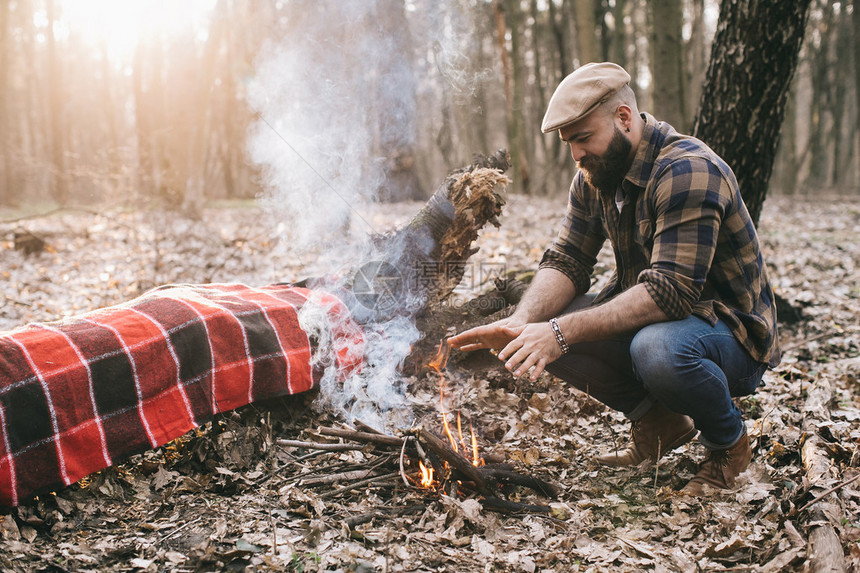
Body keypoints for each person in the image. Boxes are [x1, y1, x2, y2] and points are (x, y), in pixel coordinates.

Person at [448, 62, 780, 495]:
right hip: (666, 321)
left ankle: (728, 446)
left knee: (655, 348)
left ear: (624, 118)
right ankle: (658, 422)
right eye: (570, 143)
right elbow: (567, 259)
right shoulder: (595, 175)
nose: (577, 155)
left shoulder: (687, 170)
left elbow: (669, 294)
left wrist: (559, 332)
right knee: (539, 323)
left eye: (584, 138)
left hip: (731, 336)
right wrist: (523, 321)